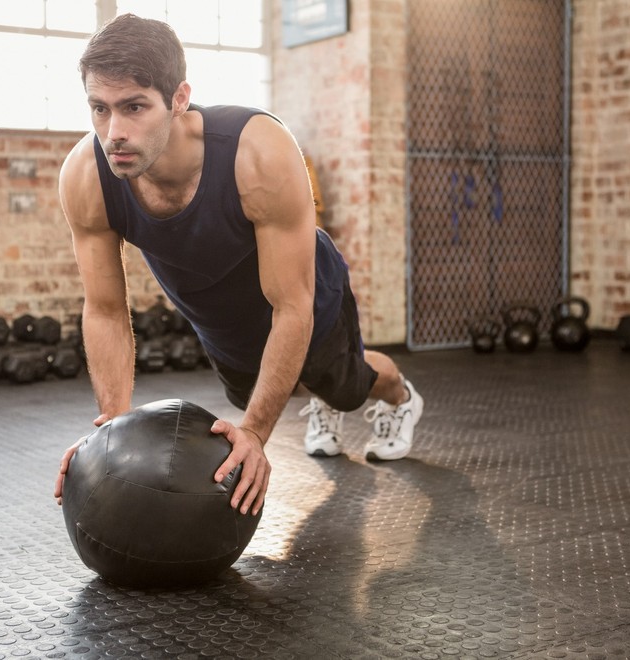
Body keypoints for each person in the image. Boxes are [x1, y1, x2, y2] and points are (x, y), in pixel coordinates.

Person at [53, 13, 423, 518]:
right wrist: (114, 431)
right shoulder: (86, 176)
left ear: (180, 98)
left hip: (300, 288)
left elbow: (292, 306)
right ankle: (317, 396)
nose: (113, 131)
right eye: (100, 109)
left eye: (134, 107)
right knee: (267, 390)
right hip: (217, 313)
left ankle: (400, 397)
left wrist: (253, 434)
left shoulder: (257, 151)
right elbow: (104, 310)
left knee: (343, 387)